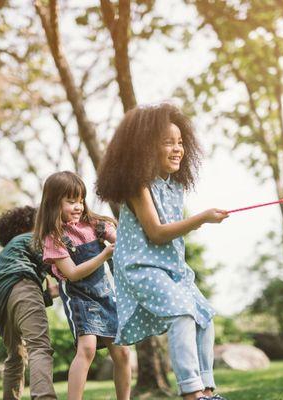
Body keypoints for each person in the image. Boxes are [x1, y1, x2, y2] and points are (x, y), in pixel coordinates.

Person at [95, 102, 229, 400]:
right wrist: (202, 219)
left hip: (172, 269)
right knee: (182, 314)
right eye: (168, 142)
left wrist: (199, 219)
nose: (177, 149)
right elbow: (156, 233)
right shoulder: (138, 185)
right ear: (146, 148)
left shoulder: (174, 187)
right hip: (141, 267)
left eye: (180, 142)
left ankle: (206, 392)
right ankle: (191, 392)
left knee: (204, 317)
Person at [33, 171, 131, 400]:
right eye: (70, 201)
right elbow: (73, 274)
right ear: (54, 203)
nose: (78, 206)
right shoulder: (54, 238)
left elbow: (122, 241)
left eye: (80, 200)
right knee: (87, 349)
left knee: (123, 353)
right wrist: (105, 254)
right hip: (80, 297)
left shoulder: (95, 225)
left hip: (105, 295)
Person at [0, 206, 58, 400]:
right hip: (21, 285)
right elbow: (54, 263)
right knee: (39, 346)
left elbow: (17, 302)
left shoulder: (7, 253)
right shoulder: (29, 238)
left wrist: (48, 295)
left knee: (16, 355)